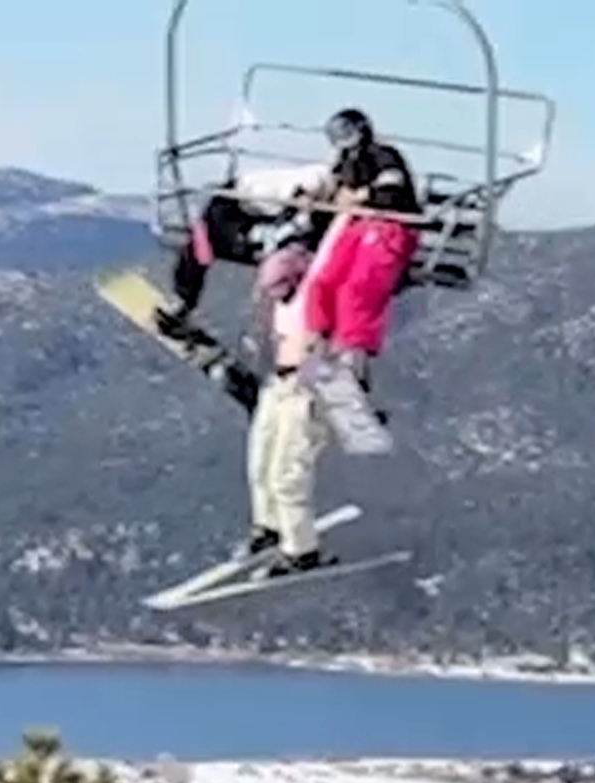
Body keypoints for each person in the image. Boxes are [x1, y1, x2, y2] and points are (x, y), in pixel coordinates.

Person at [302, 108, 422, 395]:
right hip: (356, 226)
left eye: (348, 134)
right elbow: (335, 194)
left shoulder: (384, 156)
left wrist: (362, 196)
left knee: (357, 287)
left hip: (390, 226)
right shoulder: (344, 163)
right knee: (323, 281)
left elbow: (393, 192)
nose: (345, 143)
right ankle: (318, 344)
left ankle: (353, 361)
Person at [243, 241, 336, 577]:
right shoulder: (281, 299)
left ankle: (301, 550)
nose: (275, 296)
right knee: (261, 460)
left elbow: (327, 257)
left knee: (288, 474)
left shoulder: (315, 295)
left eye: (280, 288)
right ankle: (268, 526)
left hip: (305, 389)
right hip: (279, 384)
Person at [160, 163, 337, 337]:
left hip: (265, 214)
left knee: (283, 254)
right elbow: (310, 185)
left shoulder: (319, 204)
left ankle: (183, 300)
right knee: (203, 243)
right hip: (238, 205)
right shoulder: (317, 179)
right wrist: (304, 200)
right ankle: (182, 300)